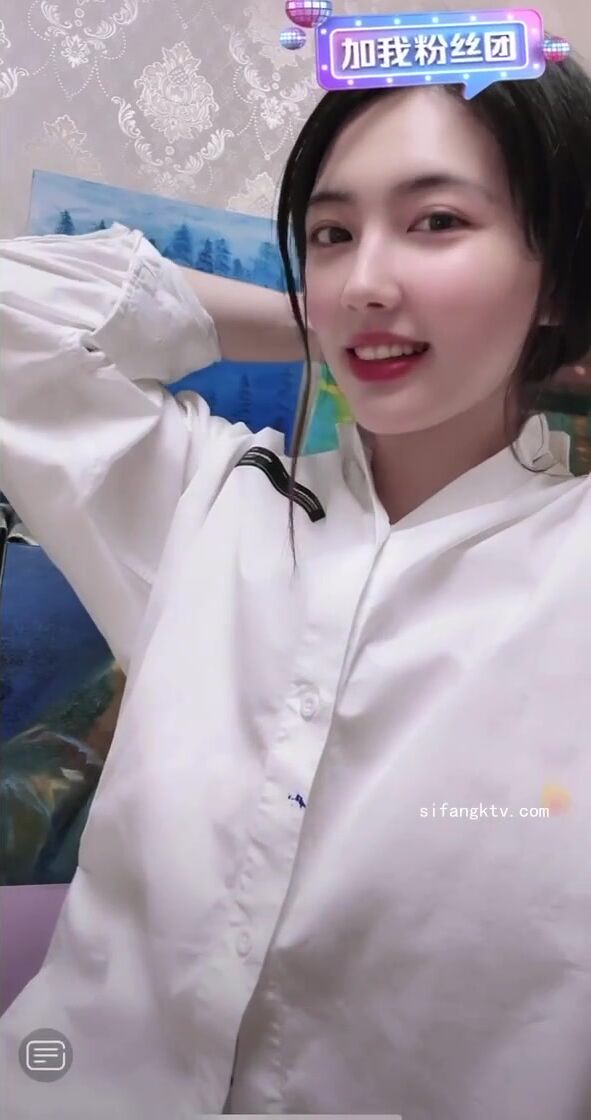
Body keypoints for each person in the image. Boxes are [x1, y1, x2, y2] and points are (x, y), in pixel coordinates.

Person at [1, 49, 591, 1120]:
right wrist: (323, 325)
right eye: (331, 233)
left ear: (555, 275)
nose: (365, 278)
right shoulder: (201, 505)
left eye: (437, 222)